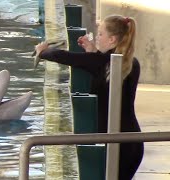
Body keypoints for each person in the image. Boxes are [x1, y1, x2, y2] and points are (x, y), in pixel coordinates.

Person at [35, 14, 144, 180]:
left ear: (112, 40)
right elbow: (103, 63)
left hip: (116, 144)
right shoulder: (132, 63)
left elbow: (64, 57)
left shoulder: (100, 62)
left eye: (100, 34)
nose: (97, 38)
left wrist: (43, 51)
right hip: (133, 142)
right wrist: (94, 52)